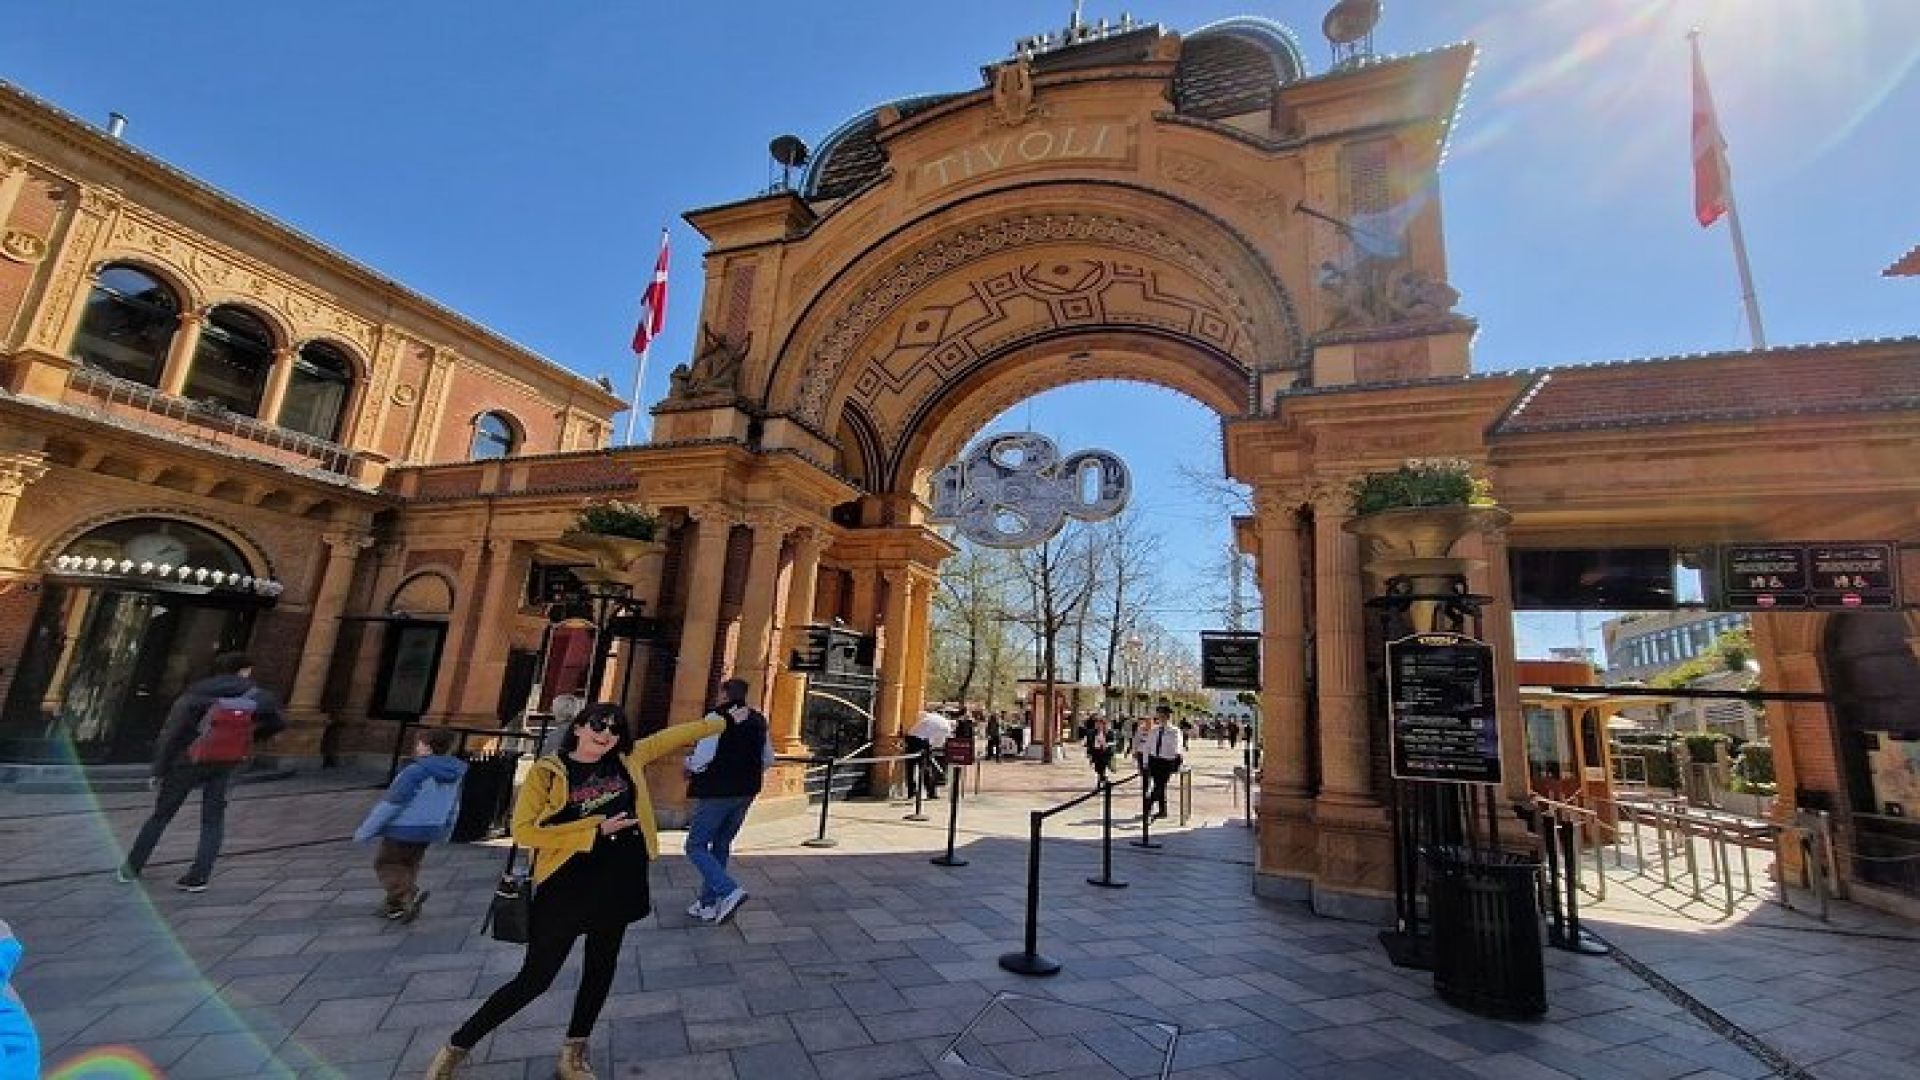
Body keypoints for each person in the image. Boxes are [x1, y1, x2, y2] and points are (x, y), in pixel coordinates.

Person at [427, 703, 723, 1080]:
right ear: (579, 727)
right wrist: (592, 832)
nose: (607, 734)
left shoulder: (627, 758)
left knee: (601, 969)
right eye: (599, 725)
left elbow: (672, 737)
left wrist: (722, 720)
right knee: (535, 978)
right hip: (567, 883)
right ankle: (457, 1046)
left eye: (616, 729)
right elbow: (525, 831)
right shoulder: (549, 772)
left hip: (620, 877)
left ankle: (573, 1054)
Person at [118, 652, 284, 892]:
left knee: (161, 815)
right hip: (227, 762)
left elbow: (171, 733)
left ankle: (132, 868)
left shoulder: (195, 693)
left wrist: (159, 768)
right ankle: (198, 876)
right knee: (213, 819)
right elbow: (278, 723)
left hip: (187, 760)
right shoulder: (259, 696)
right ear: (245, 670)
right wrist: (248, 740)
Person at [352, 727, 467, 922]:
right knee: (409, 864)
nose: (417, 747)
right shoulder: (456, 773)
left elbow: (392, 803)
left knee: (387, 863)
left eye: (420, 744)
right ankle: (395, 906)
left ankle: (405, 894)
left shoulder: (415, 771)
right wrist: (447, 828)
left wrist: (367, 829)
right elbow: (454, 804)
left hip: (403, 828)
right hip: (431, 828)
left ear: (428, 747)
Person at [684, 678, 774, 924]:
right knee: (721, 844)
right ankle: (708, 903)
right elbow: (768, 758)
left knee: (696, 845)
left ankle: (728, 890)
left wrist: (689, 765)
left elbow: (703, 757)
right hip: (746, 791)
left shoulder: (716, 718)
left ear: (724, 695)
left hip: (717, 790)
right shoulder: (758, 719)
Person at [1135, 705, 1185, 821]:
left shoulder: (1174, 731)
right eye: (1160, 716)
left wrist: (1177, 756)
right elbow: (1147, 747)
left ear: (1168, 717)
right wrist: (1145, 762)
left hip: (1167, 761)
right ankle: (1163, 810)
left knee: (1159, 786)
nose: (1161, 718)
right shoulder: (1154, 730)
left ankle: (1148, 807)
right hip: (1154, 760)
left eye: (1164, 716)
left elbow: (1178, 745)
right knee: (1159, 785)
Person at [905, 708, 953, 799]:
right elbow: (938, 743)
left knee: (911, 767)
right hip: (920, 740)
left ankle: (912, 792)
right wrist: (931, 748)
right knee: (926, 768)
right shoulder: (946, 727)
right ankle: (930, 792)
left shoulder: (931, 717)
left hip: (913, 739)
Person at [1084, 713, 1119, 787]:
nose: (1099, 725)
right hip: (1096, 752)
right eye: (1098, 724)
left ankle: (1101, 779)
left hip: (1105, 752)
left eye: (1101, 724)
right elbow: (1089, 743)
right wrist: (1089, 753)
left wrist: (1107, 744)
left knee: (1103, 766)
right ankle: (1102, 777)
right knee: (1097, 768)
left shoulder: (1109, 732)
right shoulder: (1091, 732)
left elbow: (1114, 742)